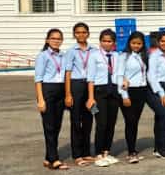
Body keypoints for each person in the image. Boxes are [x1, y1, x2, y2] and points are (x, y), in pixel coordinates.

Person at [35, 28, 70, 170]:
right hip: (47, 90)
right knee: (49, 126)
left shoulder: (63, 56)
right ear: (47, 40)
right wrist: (40, 99)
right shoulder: (42, 56)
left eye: (59, 39)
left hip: (60, 90)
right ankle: (54, 159)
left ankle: (48, 157)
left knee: (57, 125)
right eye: (53, 38)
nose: (56, 41)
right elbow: (38, 79)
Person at [64, 22, 97, 166]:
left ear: (88, 33)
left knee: (89, 119)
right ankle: (77, 154)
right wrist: (68, 94)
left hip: (91, 86)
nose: (81, 35)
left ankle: (86, 152)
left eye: (84, 32)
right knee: (76, 121)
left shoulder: (94, 50)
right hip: (76, 85)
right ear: (74, 34)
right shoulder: (71, 51)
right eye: (78, 32)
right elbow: (67, 73)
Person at [91, 29, 122, 166]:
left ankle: (106, 152)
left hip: (114, 91)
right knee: (101, 123)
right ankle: (98, 154)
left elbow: (120, 73)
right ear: (100, 42)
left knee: (111, 123)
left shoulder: (117, 56)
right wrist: (90, 97)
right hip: (99, 92)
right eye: (104, 41)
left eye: (109, 41)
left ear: (114, 43)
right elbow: (90, 78)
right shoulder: (94, 56)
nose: (106, 43)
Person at [117, 31, 149, 165]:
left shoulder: (143, 56)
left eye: (139, 43)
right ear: (129, 43)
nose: (136, 45)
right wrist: (124, 95)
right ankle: (131, 152)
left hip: (141, 91)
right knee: (130, 121)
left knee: (135, 122)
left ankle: (133, 149)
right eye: (134, 43)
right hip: (129, 91)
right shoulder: (124, 56)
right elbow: (120, 76)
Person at [145, 31, 165, 160]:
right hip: (157, 89)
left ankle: (158, 148)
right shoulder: (154, 56)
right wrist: (161, 93)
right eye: (162, 41)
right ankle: (161, 148)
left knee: (161, 118)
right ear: (158, 42)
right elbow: (151, 76)